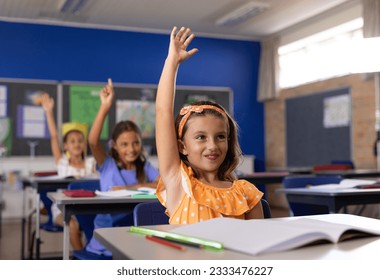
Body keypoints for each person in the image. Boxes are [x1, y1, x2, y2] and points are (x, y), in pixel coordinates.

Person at [155, 26, 264, 224]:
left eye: (220, 136)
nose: (212, 145)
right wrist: (172, 63)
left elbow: (260, 244)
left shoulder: (246, 192)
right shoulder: (179, 181)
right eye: (200, 137)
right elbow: (162, 113)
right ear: (182, 146)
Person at [87, 78, 159, 256]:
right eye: (124, 144)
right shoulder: (107, 165)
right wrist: (105, 107)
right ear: (115, 146)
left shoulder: (145, 166)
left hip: (135, 237)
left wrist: (128, 188)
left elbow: (161, 184)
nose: (131, 149)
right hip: (107, 238)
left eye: (136, 143)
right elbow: (93, 141)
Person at [40, 93, 97, 250]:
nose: (77, 144)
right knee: (72, 225)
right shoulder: (62, 162)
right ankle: (81, 258)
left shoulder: (91, 163)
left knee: (98, 223)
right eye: (72, 141)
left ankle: (93, 252)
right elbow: (53, 136)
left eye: (80, 141)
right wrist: (48, 112)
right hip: (64, 209)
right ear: (65, 146)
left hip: (88, 207)